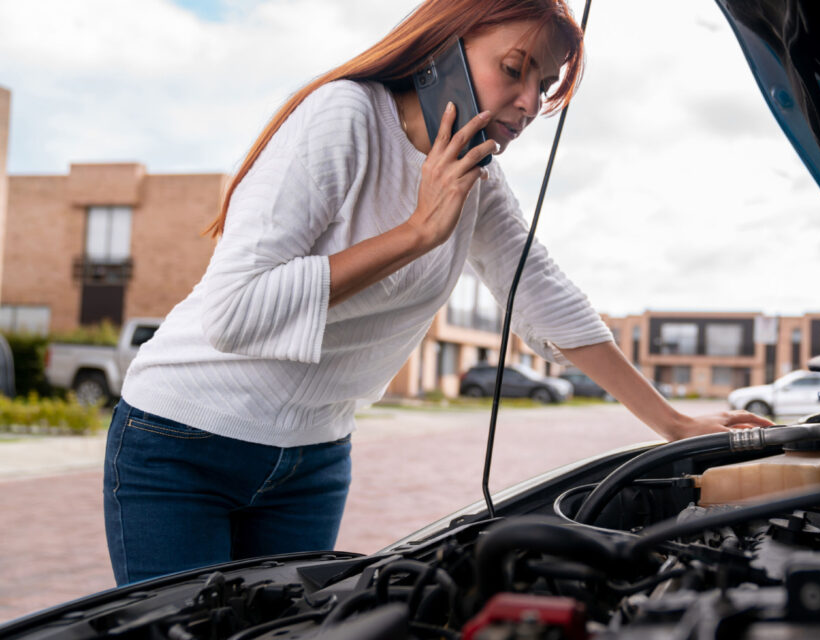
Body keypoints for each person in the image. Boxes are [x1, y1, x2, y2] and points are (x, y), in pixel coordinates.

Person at [102, 0, 770, 587]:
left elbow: (543, 292)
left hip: (314, 458)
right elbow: (233, 313)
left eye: (545, 84)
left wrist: (675, 425)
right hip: (180, 443)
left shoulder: (475, 175)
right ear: (443, 45)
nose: (531, 102)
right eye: (515, 69)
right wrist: (419, 232)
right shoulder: (344, 116)